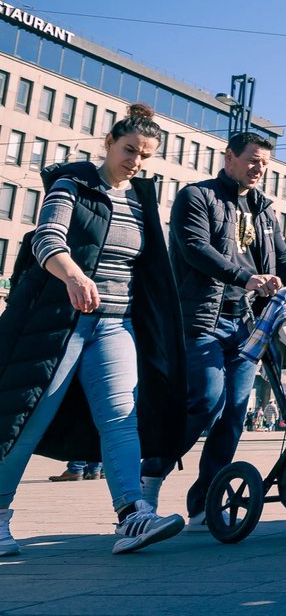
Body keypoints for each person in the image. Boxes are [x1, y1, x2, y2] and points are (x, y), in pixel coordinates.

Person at [0, 104, 187, 556]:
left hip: (116, 325)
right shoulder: (73, 185)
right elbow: (47, 239)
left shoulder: (140, 201)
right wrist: (74, 276)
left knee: (121, 417)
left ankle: (132, 515)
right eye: (129, 150)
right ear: (109, 143)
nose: (136, 161)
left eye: (145, 155)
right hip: (62, 324)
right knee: (30, 417)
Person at [138, 130, 286, 530]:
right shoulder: (197, 197)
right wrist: (247, 277)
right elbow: (195, 248)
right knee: (207, 401)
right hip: (202, 319)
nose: (259, 169)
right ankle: (151, 477)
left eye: (265, 163)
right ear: (229, 158)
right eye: (252, 160)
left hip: (247, 326)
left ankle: (204, 502)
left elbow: (283, 258)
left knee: (233, 414)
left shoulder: (264, 210)